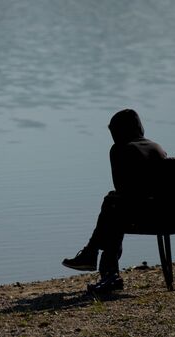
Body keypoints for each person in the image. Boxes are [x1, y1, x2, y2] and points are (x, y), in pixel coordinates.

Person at [62, 108, 167, 293]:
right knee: (114, 206)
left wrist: (114, 198)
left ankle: (100, 264)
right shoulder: (158, 148)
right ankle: (100, 264)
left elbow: (122, 188)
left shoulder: (121, 149)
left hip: (145, 216)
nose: (112, 138)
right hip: (169, 213)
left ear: (121, 131)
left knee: (113, 206)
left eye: (113, 133)